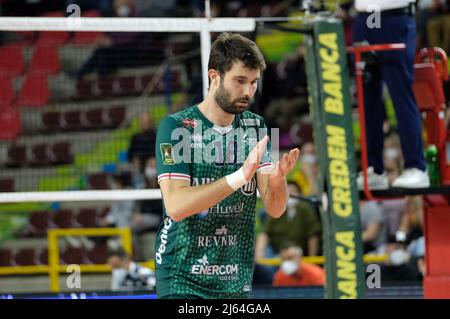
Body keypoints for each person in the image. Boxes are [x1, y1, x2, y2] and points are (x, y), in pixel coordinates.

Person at [154, 32, 299, 299]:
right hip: (182, 277)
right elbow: (175, 207)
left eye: (254, 82)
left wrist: (278, 180)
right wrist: (239, 177)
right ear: (214, 76)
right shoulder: (176, 127)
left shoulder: (256, 127)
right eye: (240, 81)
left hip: (234, 279)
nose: (247, 91)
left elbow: (275, 209)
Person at [353, 0, 430, 189]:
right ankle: (374, 169)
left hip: (393, 16)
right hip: (365, 17)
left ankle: (416, 166)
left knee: (401, 96)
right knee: (367, 101)